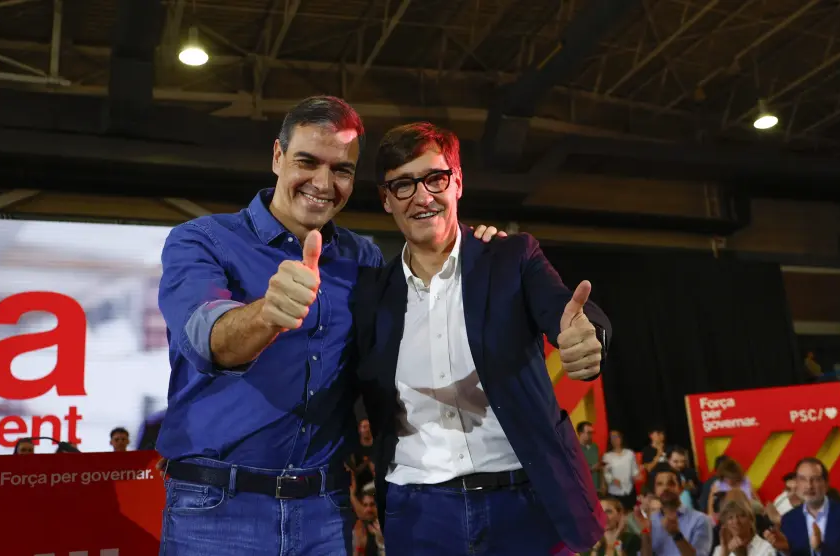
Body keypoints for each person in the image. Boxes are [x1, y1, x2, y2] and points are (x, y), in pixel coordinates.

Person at [156, 97, 502, 556]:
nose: (323, 183)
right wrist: (267, 313)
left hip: (323, 512)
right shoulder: (202, 240)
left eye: (341, 169)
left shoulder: (364, 259)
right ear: (277, 156)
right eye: (307, 162)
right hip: (217, 510)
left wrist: (476, 253)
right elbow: (208, 339)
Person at [354, 122, 611, 555]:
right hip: (419, 515)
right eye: (402, 185)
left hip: (526, 503)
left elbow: (566, 311)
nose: (422, 196)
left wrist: (585, 335)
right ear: (385, 199)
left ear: (457, 183)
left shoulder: (512, 257)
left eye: (435, 178)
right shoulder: (369, 295)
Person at [764, 457, 840, 554]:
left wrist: (820, 549)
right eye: (803, 479)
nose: (809, 486)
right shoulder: (788, 520)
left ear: (826, 484)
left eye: (815, 479)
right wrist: (785, 551)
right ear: (797, 483)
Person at [633, 463, 712, 555]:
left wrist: (676, 535)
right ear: (655, 490)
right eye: (660, 484)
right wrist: (646, 532)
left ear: (681, 488)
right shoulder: (651, 521)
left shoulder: (700, 520)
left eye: (671, 483)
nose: (665, 488)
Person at [602, 430, 640, 510]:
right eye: (612, 437)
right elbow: (606, 474)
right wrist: (613, 480)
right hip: (614, 492)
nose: (615, 439)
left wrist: (637, 476)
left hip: (629, 490)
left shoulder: (629, 453)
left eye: (617, 436)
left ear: (621, 438)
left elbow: (634, 471)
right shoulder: (607, 456)